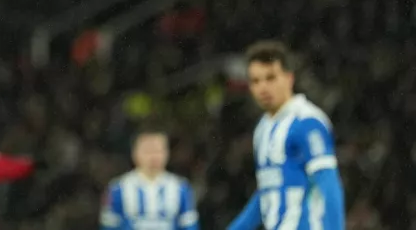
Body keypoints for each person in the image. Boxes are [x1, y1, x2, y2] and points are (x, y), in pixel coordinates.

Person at [227, 41, 345, 230]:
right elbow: (266, 193)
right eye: (256, 81)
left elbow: (328, 184)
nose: (263, 87)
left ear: (289, 78)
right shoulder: (263, 128)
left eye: (271, 78)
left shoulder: (307, 122)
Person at [99, 125, 199, 230]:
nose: (153, 156)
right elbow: (109, 227)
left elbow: (190, 226)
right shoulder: (118, 188)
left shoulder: (181, 187)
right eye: (148, 151)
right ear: (135, 153)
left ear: (167, 153)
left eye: (158, 150)